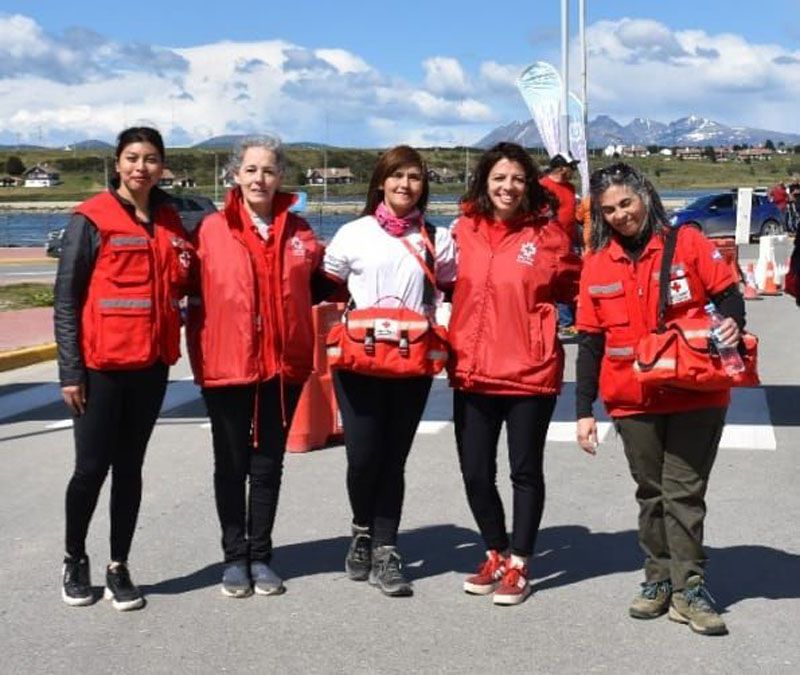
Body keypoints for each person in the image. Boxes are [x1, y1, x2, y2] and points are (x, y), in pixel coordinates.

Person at [575, 162, 745, 636]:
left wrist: (735, 323)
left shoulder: (687, 243)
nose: (620, 215)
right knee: (651, 494)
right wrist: (583, 412)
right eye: (609, 210)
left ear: (645, 196)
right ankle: (658, 580)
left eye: (626, 203)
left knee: (683, 493)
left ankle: (689, 587)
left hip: (695, 391)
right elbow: (590, 345)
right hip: (632, 399)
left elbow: (730, 296)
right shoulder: (596, 266)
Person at [54, 126, 192, 611]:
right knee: (91, 468)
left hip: (150, 366)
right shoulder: (90, 219)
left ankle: (119, 565)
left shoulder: (171, 219)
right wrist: (70, 372)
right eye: (132, 158)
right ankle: (74, 558)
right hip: (100, 367)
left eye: (151, 158)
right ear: (117, 164)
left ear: (162, 166)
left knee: (130, 468)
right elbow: (67, 301)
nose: (141, 167)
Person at [185, 135, 323, 598]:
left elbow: (327, 284)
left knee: (268, 465)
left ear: (280, 176)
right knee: (231, 464)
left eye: (268, 170)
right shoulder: (209, 230)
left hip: (283, 368)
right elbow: (177, 282)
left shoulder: (301, 232)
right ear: (235, 176)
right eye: (250, 170)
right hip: (227, 364)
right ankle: (233, 557)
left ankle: (261, 556)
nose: (259, 178)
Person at [448, 142, 581, 606]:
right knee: (475, 473)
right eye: (500, 178)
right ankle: (496, 551)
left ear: (530, 186)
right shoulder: (462, 230)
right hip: (473, 369)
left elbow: (576, 286)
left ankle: (521, 562)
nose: (508, 187)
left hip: (530, 371)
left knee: (525, 471)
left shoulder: (549, 237)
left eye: (518, 179)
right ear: (485, 181)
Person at [321, 145, 457, 597]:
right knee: (362, 457)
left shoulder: (436, 239)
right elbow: (327, 286)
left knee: (393, 459)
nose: (405, 185)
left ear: (424, 185)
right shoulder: (352, 234)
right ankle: (361, 529)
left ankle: (386, 547)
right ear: (380, 181)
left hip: (410, 361)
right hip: (358, 362)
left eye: (414, 177)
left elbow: (452, 289)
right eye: (396, 176)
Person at [540, 151, 580, 336]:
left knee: (570, 278)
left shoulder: (570, 188)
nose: (574, 170)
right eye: (571, 167)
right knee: (554, 277)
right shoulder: (543, 186)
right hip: (549, 241)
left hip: (569, 239)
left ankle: (570, 320)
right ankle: (564, 321)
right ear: (561, 168)